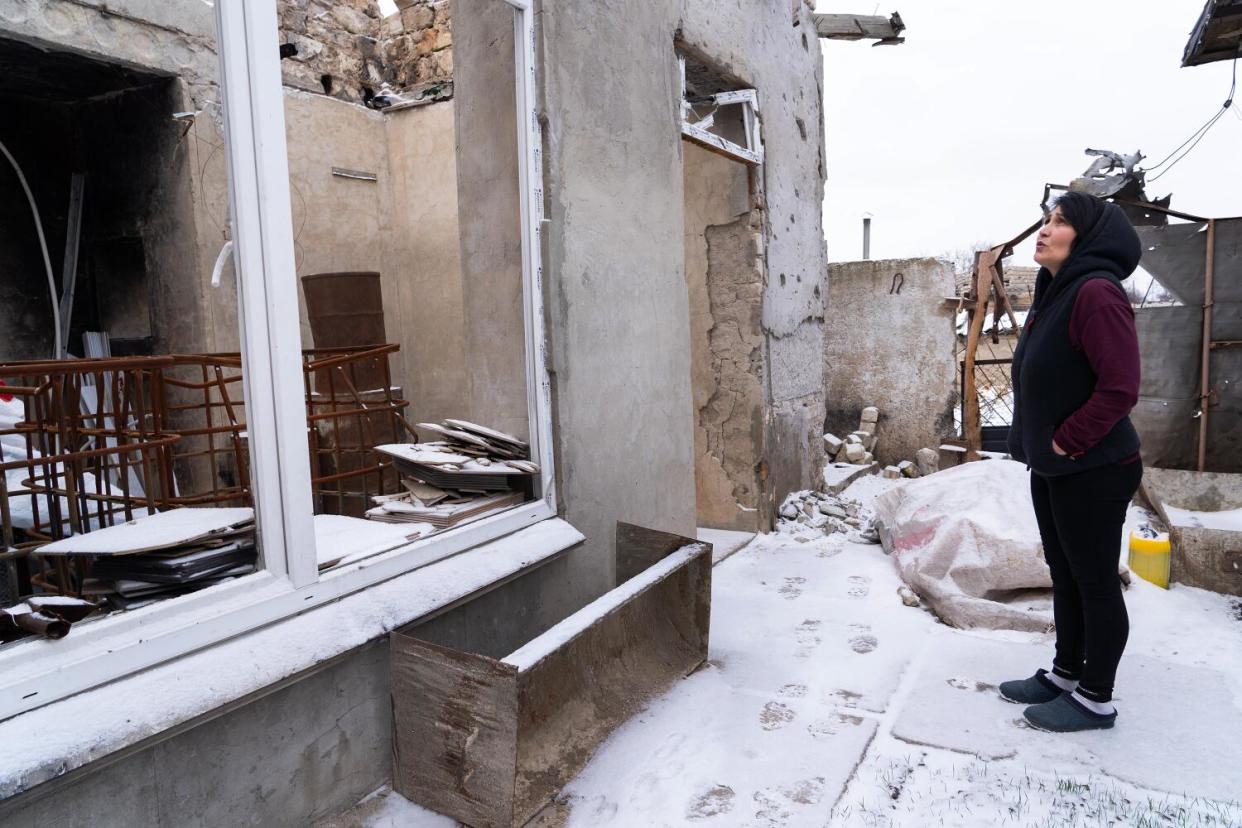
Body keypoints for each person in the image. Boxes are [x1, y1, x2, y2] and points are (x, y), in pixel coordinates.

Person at [1000, 191, 1143, 732]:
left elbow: (1119, 389)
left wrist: (1066, 441)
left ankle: (1096, 698)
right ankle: (1065, 673)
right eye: (1045, 219)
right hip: (1059, 466)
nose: (1044, 229)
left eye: (1058, 222)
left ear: (1086, 238)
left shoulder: (1096, 294)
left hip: (1095, 466)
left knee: (1095, 581)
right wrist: (1044, 448)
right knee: (1066, 575)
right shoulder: (1056, 291)